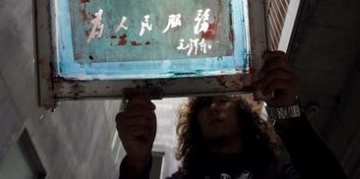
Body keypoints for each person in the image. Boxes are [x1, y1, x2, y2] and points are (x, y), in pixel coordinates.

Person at [115, 51, 347, 178]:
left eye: (223, 100)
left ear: (243, 113)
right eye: (205, 105)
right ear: (195, 124)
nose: (213, 108)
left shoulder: (276, 173)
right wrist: (137, 163)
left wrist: (289, 114)